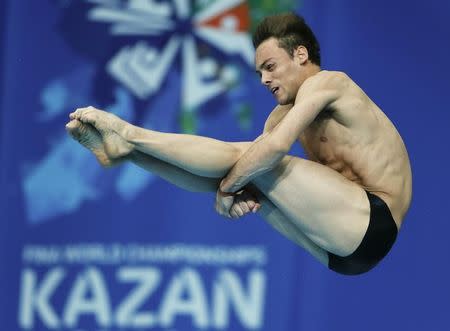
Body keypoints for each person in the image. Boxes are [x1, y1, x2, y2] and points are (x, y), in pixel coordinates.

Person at [65, 13, 412, 275]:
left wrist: (229, 190)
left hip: (375, 221)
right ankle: (132, 154)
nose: (264, 79)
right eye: (259, 72)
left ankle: (128, 133)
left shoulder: (329, 83)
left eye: (271, 67)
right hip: (340, 252)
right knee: (244, 167)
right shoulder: (280, 117)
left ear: (301, 54)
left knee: (251, 159)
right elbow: (244, 168)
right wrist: (231, 190)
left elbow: (271, 152)